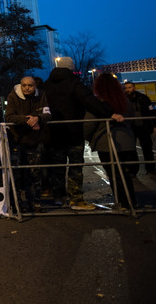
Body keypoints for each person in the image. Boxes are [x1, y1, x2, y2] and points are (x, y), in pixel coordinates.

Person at [43, 57, 120, 211]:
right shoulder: (73, 83)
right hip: (73, 132)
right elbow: (89, 101)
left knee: (57, 167)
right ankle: (76, 199)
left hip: (53, 132)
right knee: (75, 167)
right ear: (71, 68)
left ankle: (58, 197)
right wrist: (108, 112)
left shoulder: (47, 85)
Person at [85, 74, 137, 209]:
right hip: (127, 141)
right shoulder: (125, 101)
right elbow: (132, 117)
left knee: (114, 174)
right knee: (124, 173)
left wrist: (88, 137)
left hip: (106, 141)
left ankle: (123, 202)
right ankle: (131, 201)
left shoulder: (98, 104)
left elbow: (89, 124)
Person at [5, 76, 51, 212]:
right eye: (24, 85)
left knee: (35, 174)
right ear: (20, 85)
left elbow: (48, 114)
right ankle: (18, 204)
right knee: (17, 174)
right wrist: (28, 120)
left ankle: (36, 203)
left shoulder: (42, 95)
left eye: (30, 85)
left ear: (35, 86)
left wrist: (38, 118)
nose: (27, 88)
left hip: (35, 140)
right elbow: (8, 117)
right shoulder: (13, 96)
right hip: (17, 140)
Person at [123, 81, 155, 174]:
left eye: (129, 87)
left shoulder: (143, 98)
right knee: (131, 150)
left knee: (147, 149)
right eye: (126, 88)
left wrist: (153, 125)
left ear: (134, 88)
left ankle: (150, 169)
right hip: (131, 128)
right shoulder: (124, 100)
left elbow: (151, 112)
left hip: (143, 127)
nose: (128, 90)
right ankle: (133, 170)